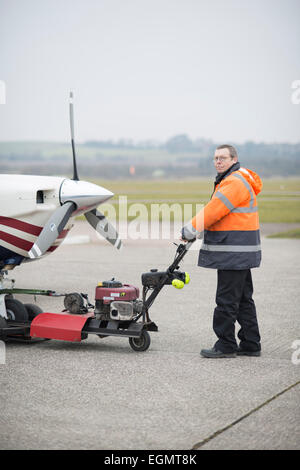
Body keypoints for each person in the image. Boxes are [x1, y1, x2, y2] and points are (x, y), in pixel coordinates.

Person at [181, 144, 262, 358]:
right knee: (244, 299)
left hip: (233, 253)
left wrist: (189, 230)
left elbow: (213, 211)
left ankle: (226, 345)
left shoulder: (233, 182)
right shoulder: (237, 179)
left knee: (226, 300)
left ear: (234, 160)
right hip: (241, 251)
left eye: (223, 158)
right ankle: (251, 343)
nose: (218, 161)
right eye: (216, 158)